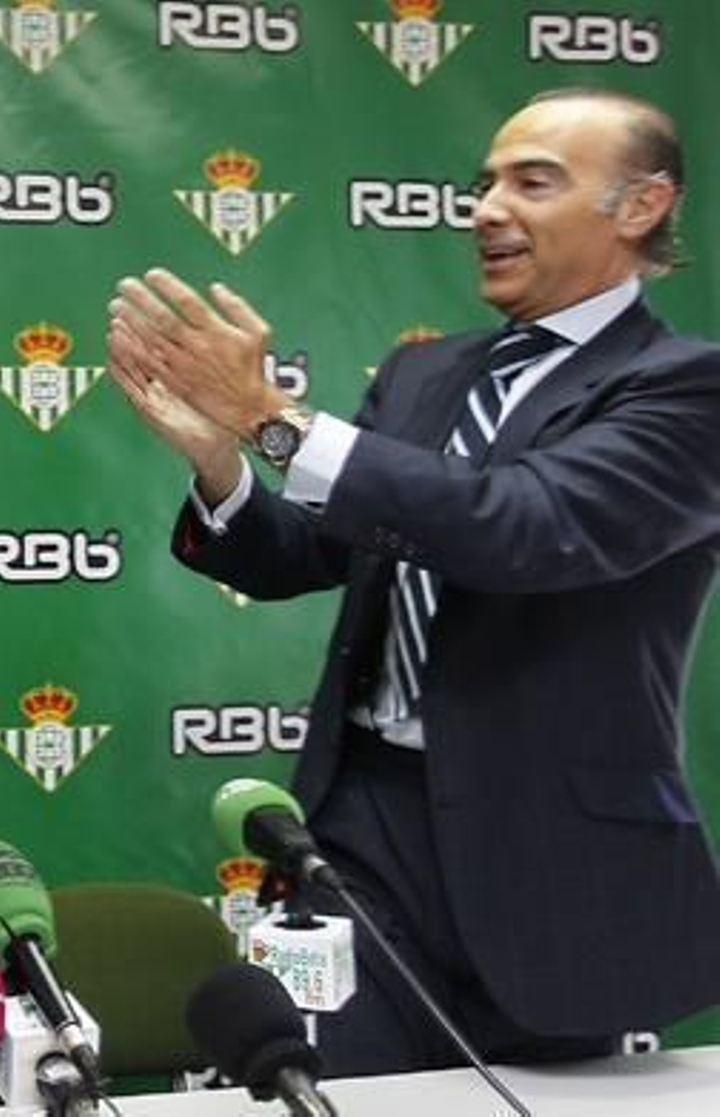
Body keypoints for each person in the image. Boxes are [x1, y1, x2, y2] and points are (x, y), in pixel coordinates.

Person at [107, 87, 720, 1075]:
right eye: (482, 184)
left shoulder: (685, 387)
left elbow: (527, 528)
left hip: (552, 853)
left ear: (639, 206)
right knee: (320, 1086)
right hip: (363, 828)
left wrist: (275, 418)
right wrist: (221, 463)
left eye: (532, 182)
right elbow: (299, 554)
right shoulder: (423, 377)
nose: (484, 209)